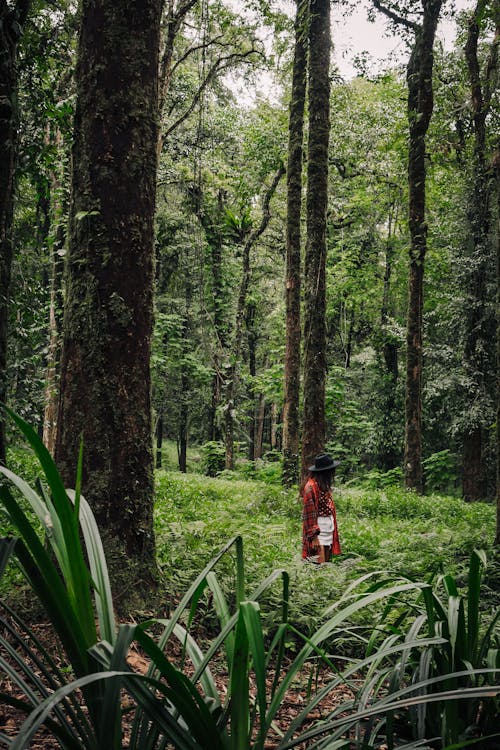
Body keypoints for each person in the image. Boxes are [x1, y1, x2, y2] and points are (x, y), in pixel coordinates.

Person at [301, 453, 341, 563]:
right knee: (319, 567)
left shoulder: (324, 485)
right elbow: (309, 514)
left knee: (326, 566)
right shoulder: (310, 487)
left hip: (328, 530)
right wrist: (314, 537)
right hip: (319, 533)